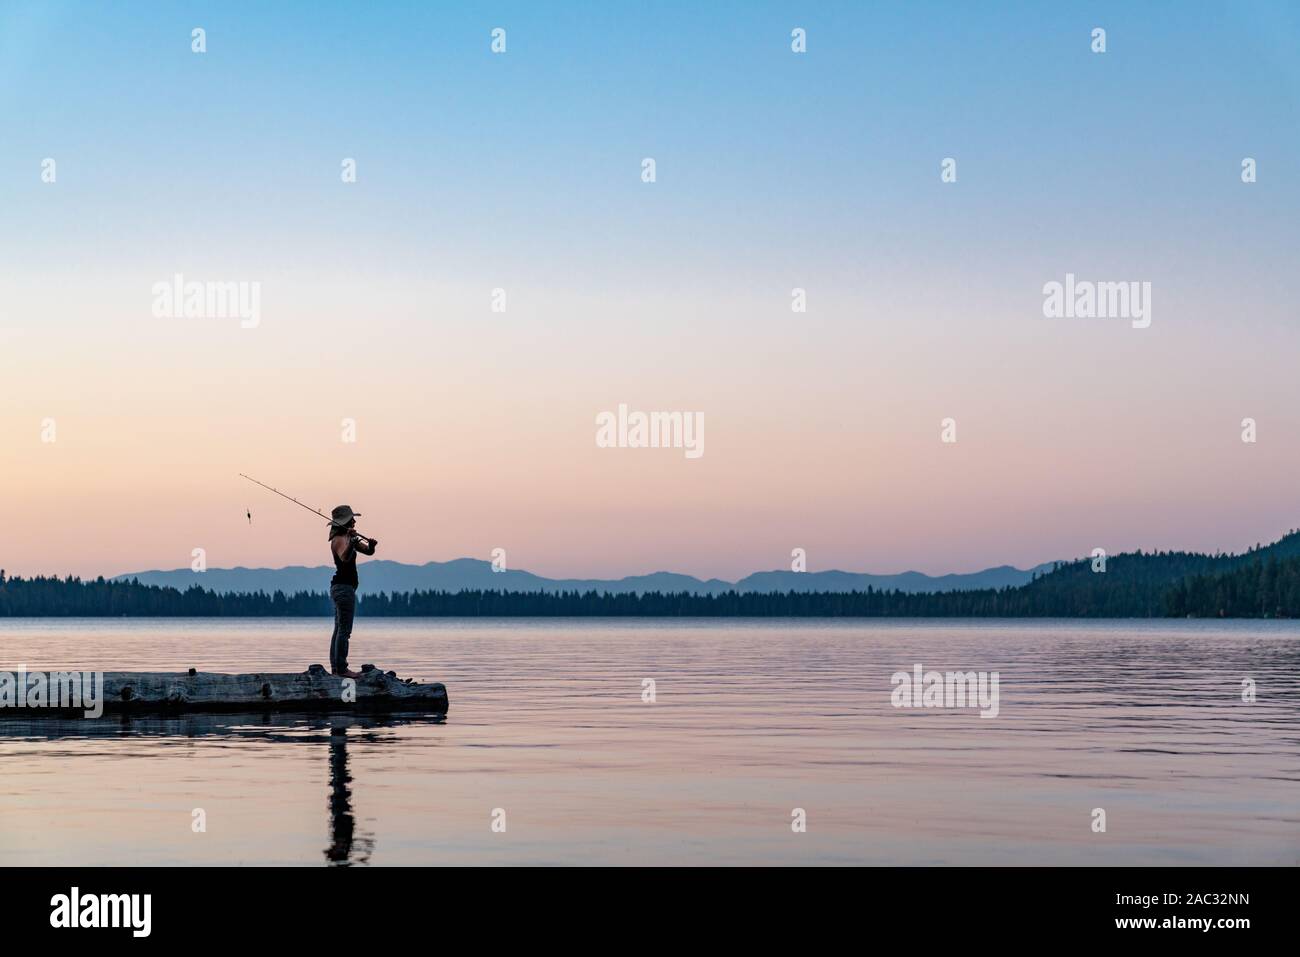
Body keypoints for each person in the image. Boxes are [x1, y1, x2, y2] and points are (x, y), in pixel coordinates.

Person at [327, 505, 378, 678]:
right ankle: (341, 669)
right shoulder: (340, 540)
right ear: (345, 522)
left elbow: (368, 552)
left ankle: (336, 668)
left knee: (338, 629)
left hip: (341, 589)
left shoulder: (347, 538)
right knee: (344, 630)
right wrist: (352, 542)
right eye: (352, 519)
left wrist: (371, 546)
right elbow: (344, 557)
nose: (355, 521)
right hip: (343, 589)